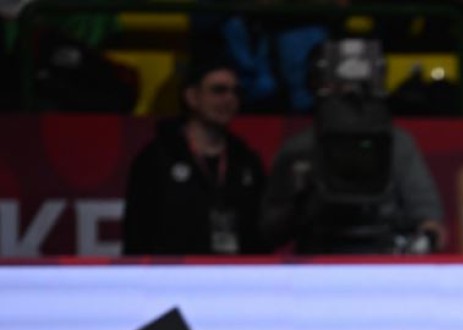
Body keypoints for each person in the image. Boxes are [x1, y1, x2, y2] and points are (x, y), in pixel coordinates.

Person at [260, 39, 445, 255]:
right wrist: (301, 203)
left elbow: (430, 221)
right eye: (341, 89)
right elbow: (268, 231)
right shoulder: (298, 149)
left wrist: (423, 240)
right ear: (320, 88)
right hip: (319, 257)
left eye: (361, 88)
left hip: (383, 257)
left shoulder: (399, 145)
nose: (351, 95)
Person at [122, 57, 267, 256]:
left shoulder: (246, 160)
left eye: (236, 92)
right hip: (173, 273)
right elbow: (137, 234)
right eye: (218, 90)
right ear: (192, 97)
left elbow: (261, 234)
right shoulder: (157, 157)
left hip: (233, 272)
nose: (229, 99)